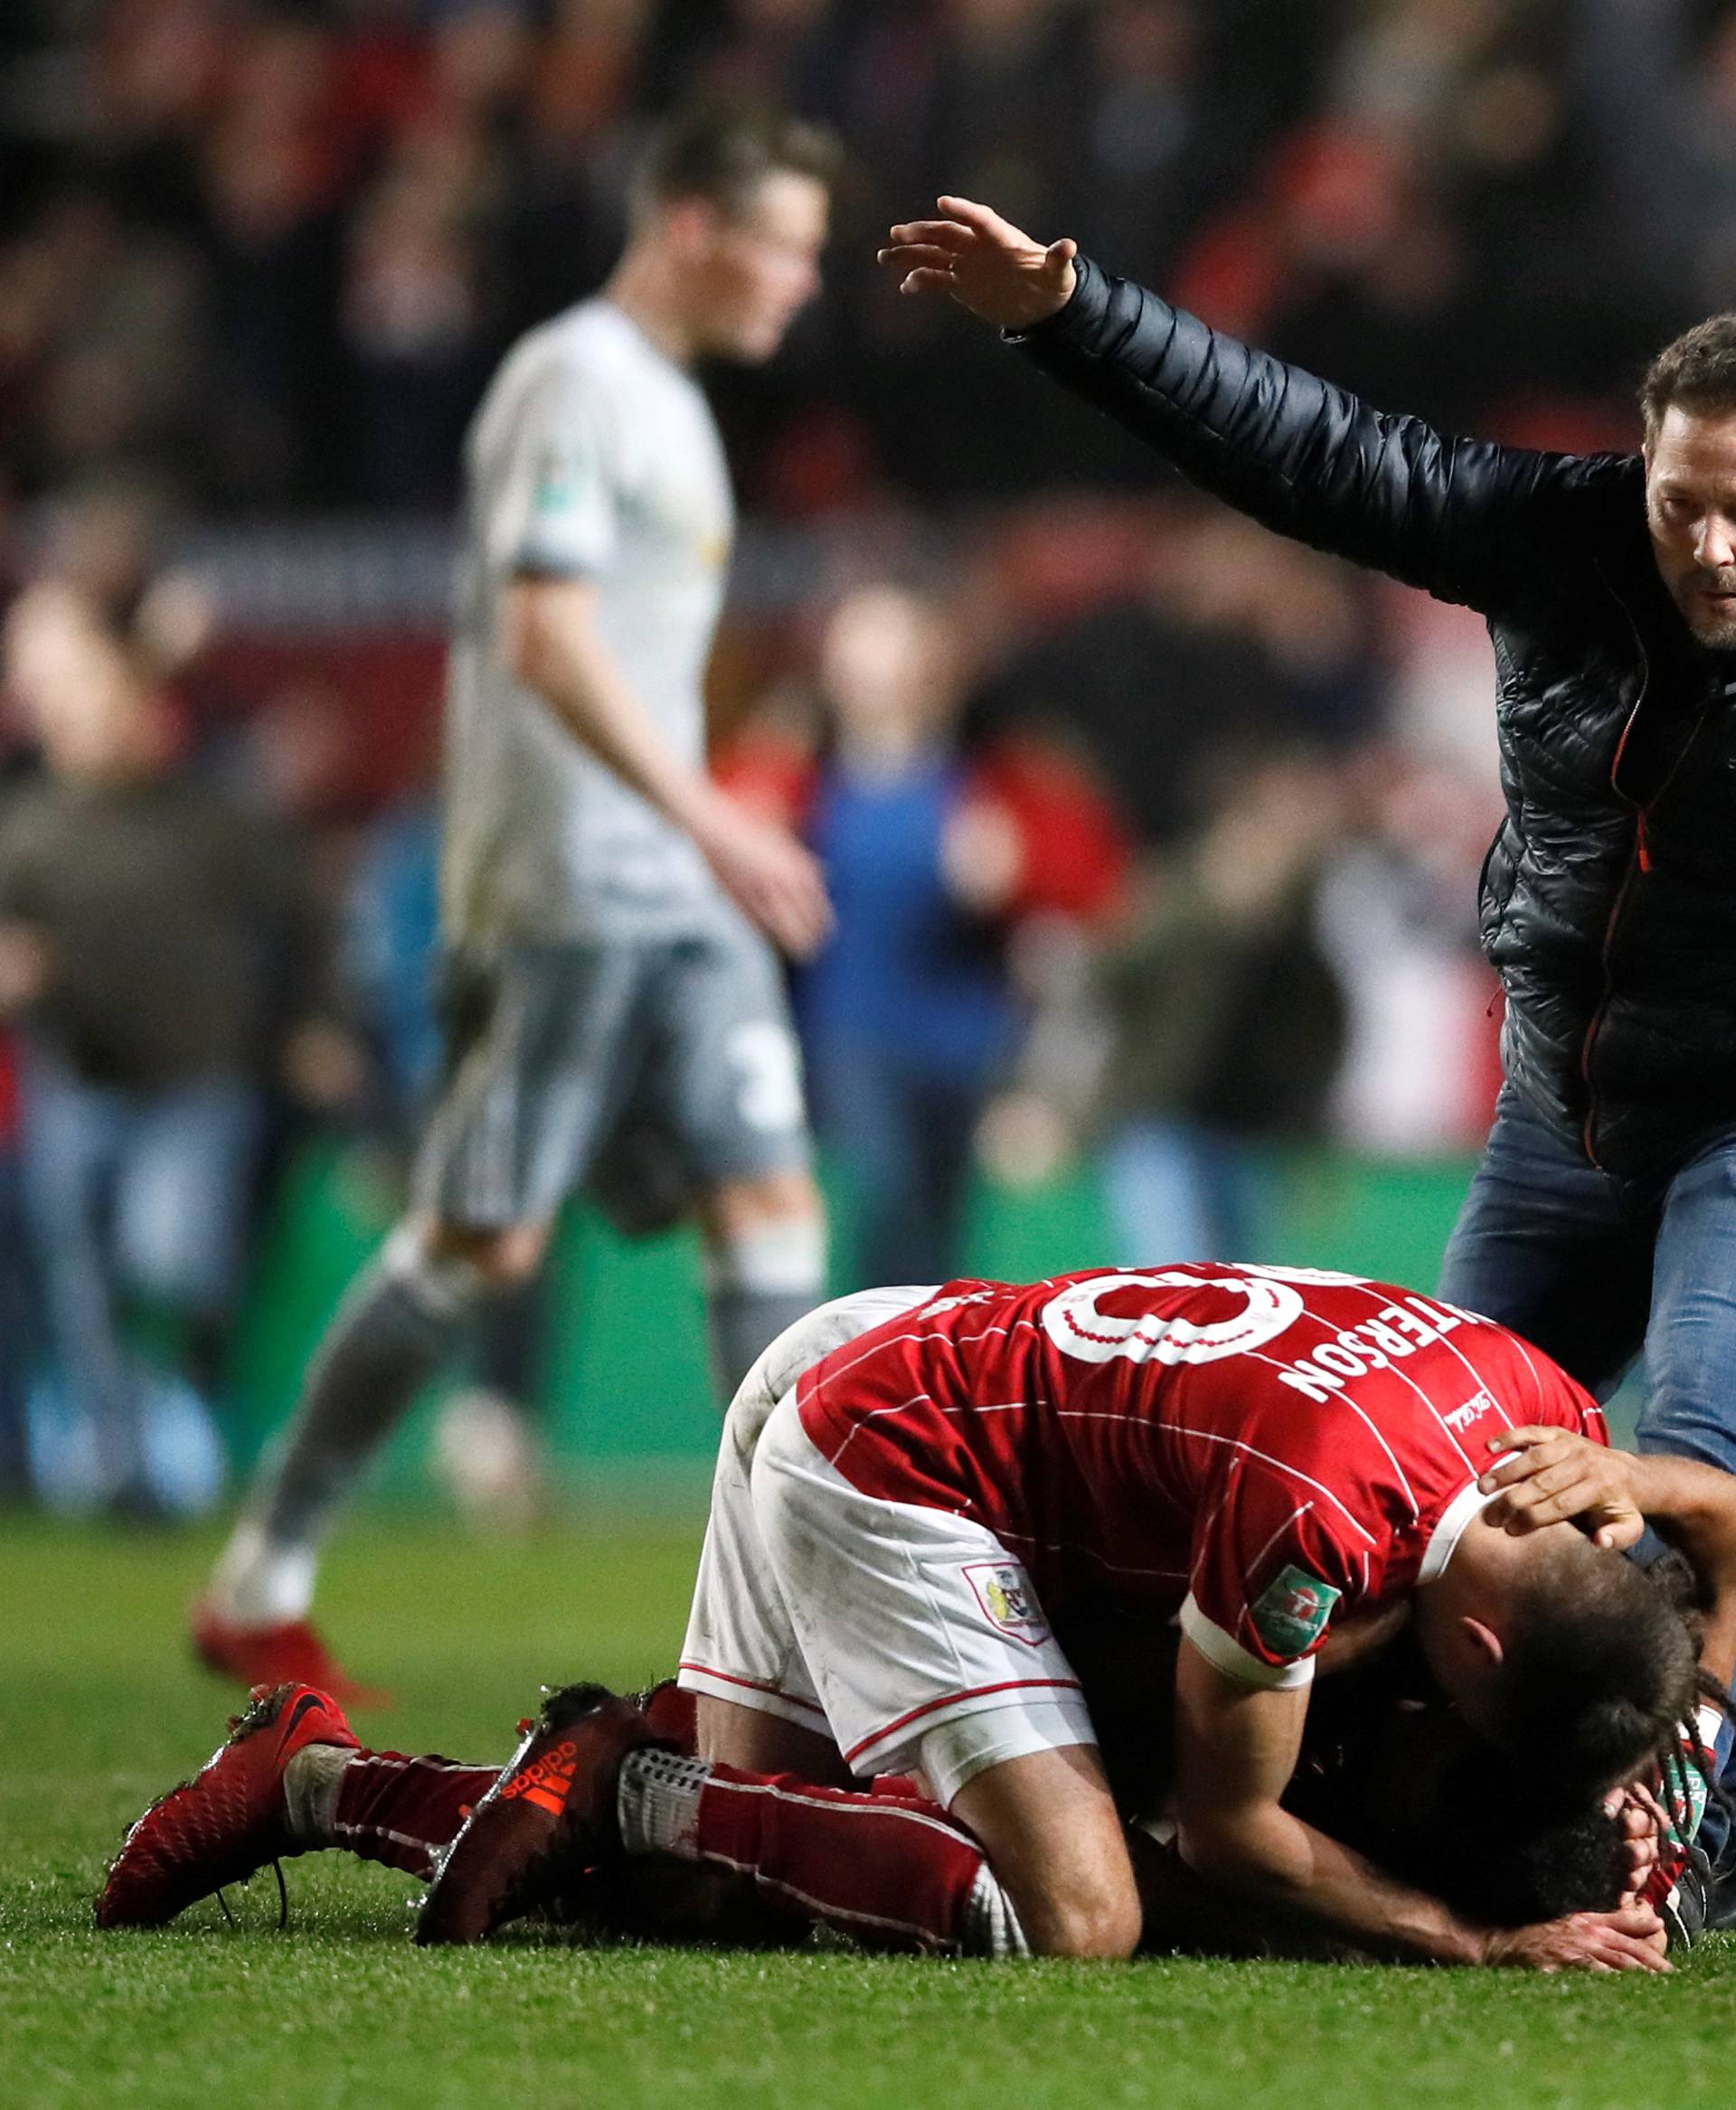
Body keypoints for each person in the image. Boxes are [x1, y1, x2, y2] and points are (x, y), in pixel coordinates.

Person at [99, 1262, 1731, 1969]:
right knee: (1079, 1911)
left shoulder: (1539, 1404)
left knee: (728, 1890)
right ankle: (614, 1768)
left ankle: (313, 1777)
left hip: (917, 1353)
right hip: (894, 1450)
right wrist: (1475, 1936)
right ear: (1486, 1653)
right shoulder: (1320, 1530)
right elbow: (1229, 1829)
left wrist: (1656, 1468)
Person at [873, 199, 1736, 1492]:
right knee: (1433, 1485)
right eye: (1683, 506)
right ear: (1643, 470)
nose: (1712, 549)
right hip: (1561, 1115)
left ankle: (1703, 1700)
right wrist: (1075, 317)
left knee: (1692, 1474)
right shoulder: (1562, 536)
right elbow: (1317, 449)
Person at [193, 102, 842, 1698]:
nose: (800, 288)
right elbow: (549, 637)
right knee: (480, 1239)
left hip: (674, 887)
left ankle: (794, 1625)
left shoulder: (676, 409)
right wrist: (714, 811)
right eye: (785, 252)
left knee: (772, 1201)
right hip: (564, 887)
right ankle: (264, 1561)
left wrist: (704, 822)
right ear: (692, 224)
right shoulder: (575, 382)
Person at [0, 585, 338, 1517]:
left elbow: (301, 913)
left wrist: (316, 1019)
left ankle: (176, 1408)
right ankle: (110, 1457)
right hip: (78, 1079)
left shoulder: (211, 818)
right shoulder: (27, 828)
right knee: (84, 1285)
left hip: (196, 1081)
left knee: (170, 1258)